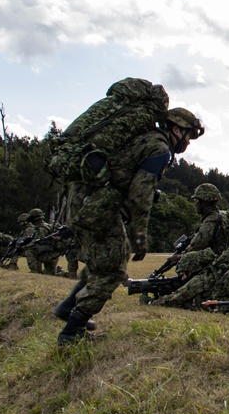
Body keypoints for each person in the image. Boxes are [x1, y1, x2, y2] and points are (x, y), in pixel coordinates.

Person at [54, 105, 204, 345]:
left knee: (109, 258)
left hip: (85, 200)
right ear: (176, 129)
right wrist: (140, 233)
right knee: (112, 271)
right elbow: (140, 193)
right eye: (187, 135)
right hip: (97, 207)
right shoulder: (159, 148)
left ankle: (68, 307)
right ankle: (72, 331)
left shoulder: (145, 139)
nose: (188, 142)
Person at [149, 183, 229, 308]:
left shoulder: (211, 221)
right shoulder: (222, 216)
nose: (195, 203)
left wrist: (180, 257)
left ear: (204, 202)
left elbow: (197, 246)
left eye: (196, 200)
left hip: (214, 264)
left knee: (187, 265)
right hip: (223, 261)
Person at [24, 208, 57, 275]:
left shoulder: (41, 228)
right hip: (53, 254)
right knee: (49, 274)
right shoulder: (47, 226)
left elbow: (39, 243)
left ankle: (35, 270)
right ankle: (61, 273)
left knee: (29, 250)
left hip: (48, 254)